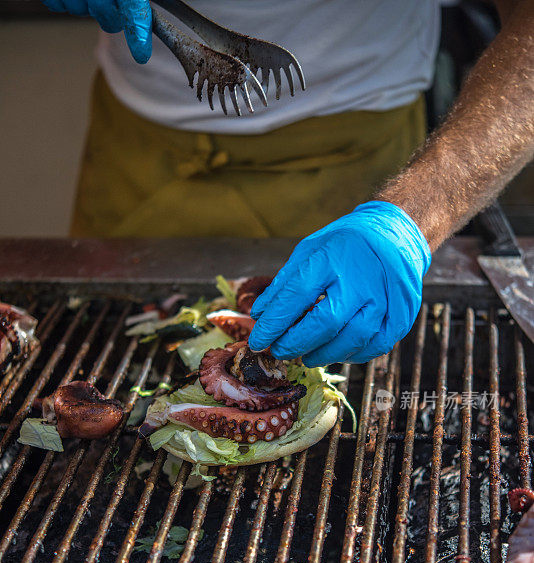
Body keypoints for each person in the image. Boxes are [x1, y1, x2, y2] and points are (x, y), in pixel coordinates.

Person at [42, 0, 534, 366]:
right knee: (98, 345)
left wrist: (411, 220)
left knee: (327, 351)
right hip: (135, 147)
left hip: (354, 165)